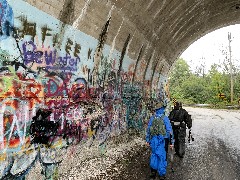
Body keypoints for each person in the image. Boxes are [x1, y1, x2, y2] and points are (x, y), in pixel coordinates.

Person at [146, 101, 174, 180]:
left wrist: (148, 140)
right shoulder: (165, 118)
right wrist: (171, 142)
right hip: (163, 140)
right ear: (162, 109)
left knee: (154, 155)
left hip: (153, 140)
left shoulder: (152, 118)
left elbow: (148, 130)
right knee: (162, 156)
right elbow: (169, 131)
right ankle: (161, 174)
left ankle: (153, 173)